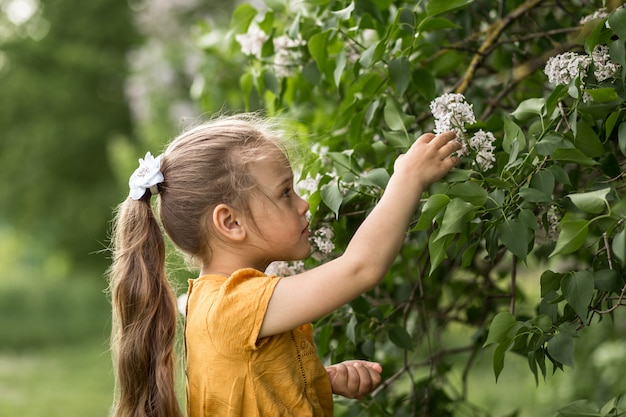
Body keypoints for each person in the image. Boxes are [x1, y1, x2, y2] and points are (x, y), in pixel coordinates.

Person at [108, 114, 460, 417]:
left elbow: (250, 387)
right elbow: (361, 267)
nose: (304, 204)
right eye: (285, 193)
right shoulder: (235, 304)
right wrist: (408, 178)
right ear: (230, 223)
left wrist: (319, 378)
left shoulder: (217, 302)